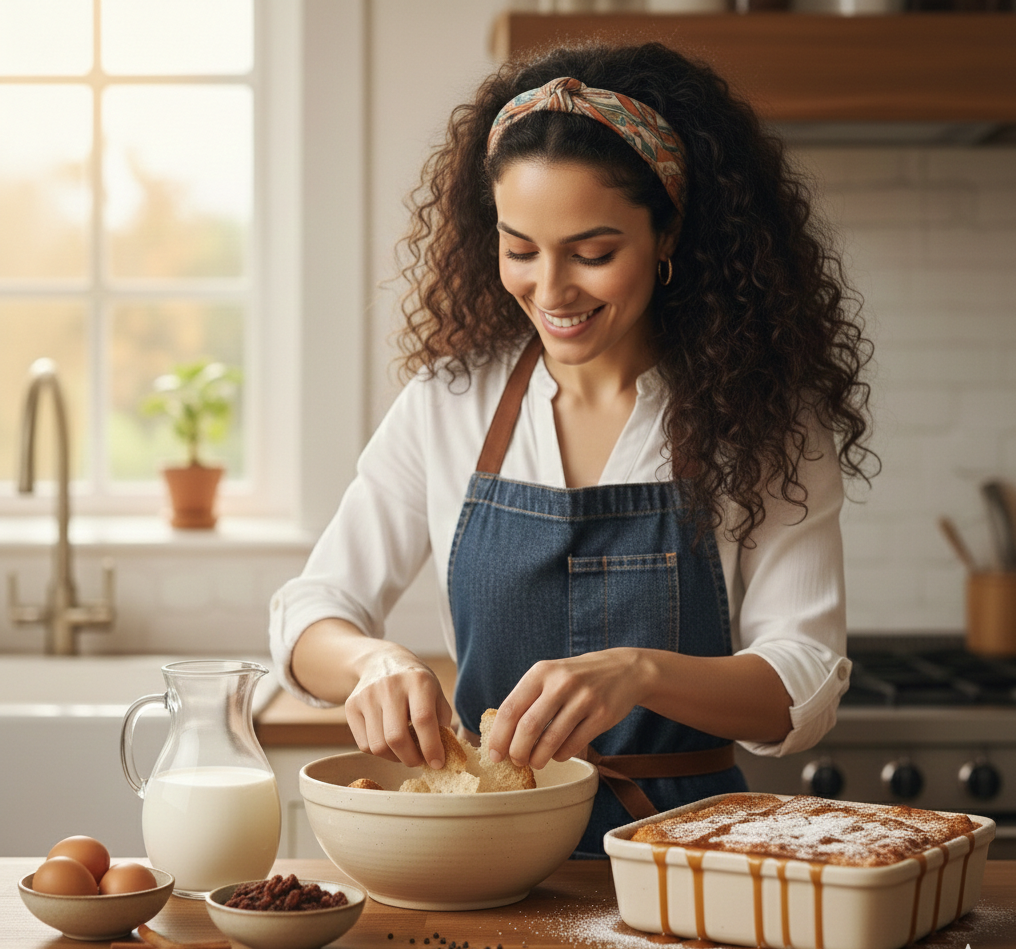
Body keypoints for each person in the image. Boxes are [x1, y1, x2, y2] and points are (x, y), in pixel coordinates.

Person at [269, 41, 876, 857]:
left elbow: (802, 682)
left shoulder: (762, 418)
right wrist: (373, 663)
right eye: (520, 249)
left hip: (688, 857)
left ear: (668, 236)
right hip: (487, 857)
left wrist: (641, 671)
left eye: (592, 254)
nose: (550, 292)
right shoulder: (451, 405)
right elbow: (309, 614)